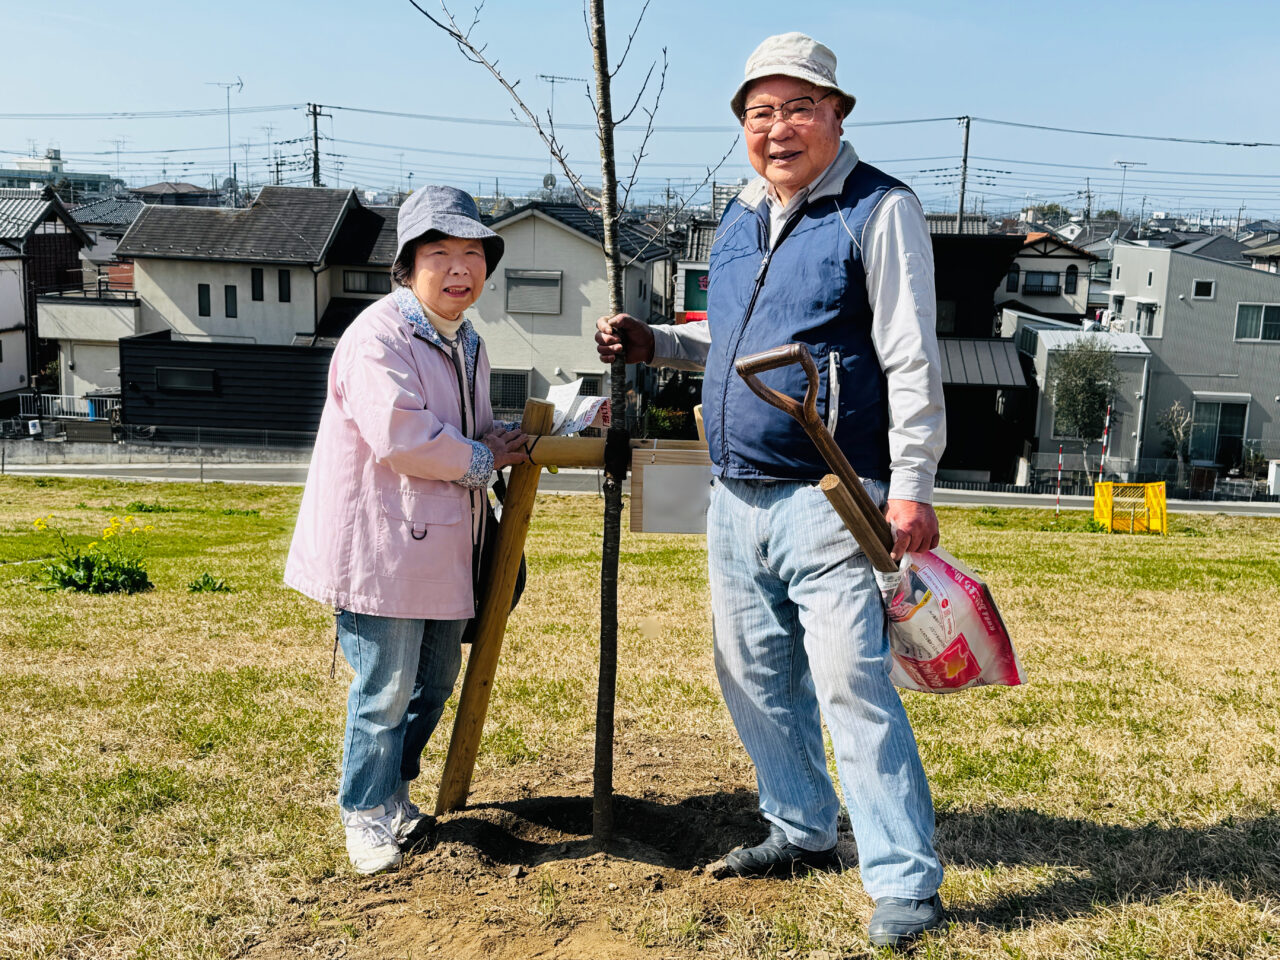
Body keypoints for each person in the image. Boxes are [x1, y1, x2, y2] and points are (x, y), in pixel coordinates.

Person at [596, 33, 946, 948]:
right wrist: (658, 343)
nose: (778, 129)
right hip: (735, 492)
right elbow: (734, 341)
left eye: (799, 108)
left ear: (838, 115)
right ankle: (797, 827)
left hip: (835, 491)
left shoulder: (878, 210)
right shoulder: (741, 215)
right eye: (760, 113)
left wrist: (910, 484)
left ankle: (904, 881)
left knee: (849, 686)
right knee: (752, 677)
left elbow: (910, 354)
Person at [285, 185, 528, 875]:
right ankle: (364, 812)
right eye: (442, 253)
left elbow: (465, 431)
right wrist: (481, 458)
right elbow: (402, 436)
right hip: (381, 546)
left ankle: (390, 792)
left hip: (439, 542)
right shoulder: (379, 337)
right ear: (408, 266)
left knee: (436, 678)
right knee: (384, 688)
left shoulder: (464, 339)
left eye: (474, 253)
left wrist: (500, 441)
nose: (461, 269)